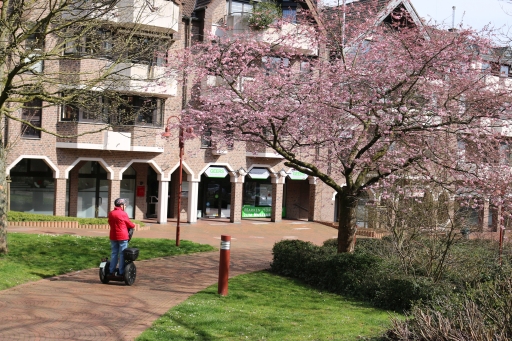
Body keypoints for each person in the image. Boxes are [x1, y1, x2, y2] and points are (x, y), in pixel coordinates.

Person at [108, 198, 135, 276]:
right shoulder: (123, 213)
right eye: (125, 205)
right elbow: (129, 223)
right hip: (122, 236)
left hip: (113, 236)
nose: (125, 206)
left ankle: (111, 270)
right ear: (121, 205)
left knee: (114, 253)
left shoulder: (111, 213)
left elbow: (110, 222)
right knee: (122, 254)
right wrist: (133, 225)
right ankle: (121, 271)